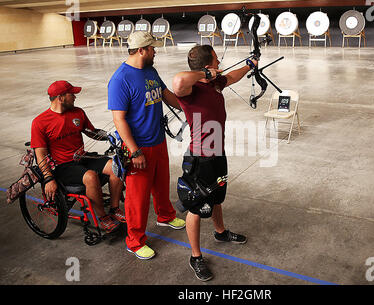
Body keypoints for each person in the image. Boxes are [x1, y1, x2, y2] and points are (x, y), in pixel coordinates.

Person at [172, 45, 251, 281]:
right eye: (217, 60)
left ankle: (220, 232)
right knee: (196, 206)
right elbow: (177, 81)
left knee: (217, 197)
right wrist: (205, 75)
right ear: (207, 66)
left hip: (218, 153)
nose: (220, 62)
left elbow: (232, 76)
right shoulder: (189, 89)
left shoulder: (216, 83)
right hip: (200, 158)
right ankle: (195, 257)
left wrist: (250, 65)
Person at [108, 31, 186, 260]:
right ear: (142, 50)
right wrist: (134, 151)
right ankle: (134, 241)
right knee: (137, 198)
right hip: (138, 148)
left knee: (161, 184)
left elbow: (166, 95)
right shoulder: (120, 79)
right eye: (153, 48)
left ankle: (165, 215)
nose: (156, 51)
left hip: (158, 140)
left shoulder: (150, 71)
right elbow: (119, 119)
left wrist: (189, 106)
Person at [31, 80, 125, 233]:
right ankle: (102, 218)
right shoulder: (40, 122)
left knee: (116, 166)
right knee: (90, 177)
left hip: (82, 158)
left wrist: (110, 136)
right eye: (72, 94)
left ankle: (114, 209)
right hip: (62, 166)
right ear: (60, 98)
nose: (75, 97)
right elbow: (40, 153)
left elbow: (91, 132)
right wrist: (48, 178)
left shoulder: (78, 112)